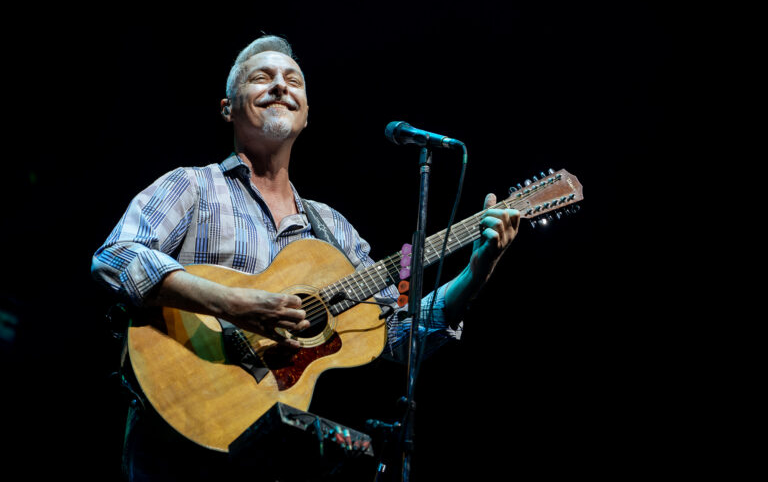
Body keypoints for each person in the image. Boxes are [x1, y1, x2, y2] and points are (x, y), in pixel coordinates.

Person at [92, 35, 520, 481]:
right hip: (178, 436)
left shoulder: (333, 228)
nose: (281, 85)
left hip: (281, 460)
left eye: (293, 80)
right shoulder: (193, 186)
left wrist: (475, 272)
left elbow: (397, 333)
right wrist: (236, 304)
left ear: (307, 113)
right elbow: (114, 258)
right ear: (227, 109)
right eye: (262, 77)